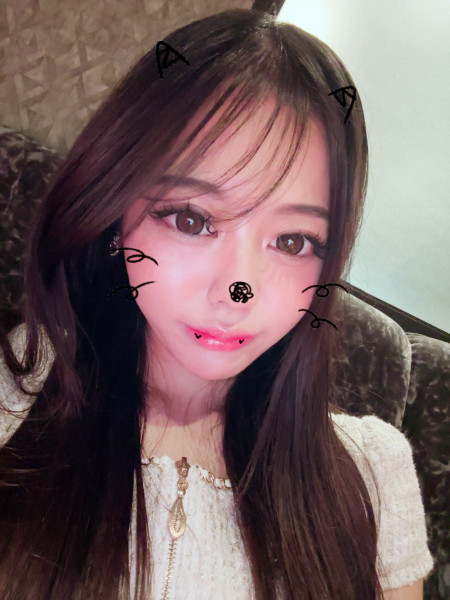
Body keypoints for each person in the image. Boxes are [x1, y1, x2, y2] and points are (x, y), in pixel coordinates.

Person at [0, 8, 434, 600]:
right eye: (192, 219)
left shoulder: (374, 478)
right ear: (115, 215)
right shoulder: (23, 386)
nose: (237, 290)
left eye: (293, 242)